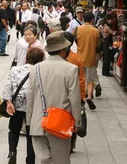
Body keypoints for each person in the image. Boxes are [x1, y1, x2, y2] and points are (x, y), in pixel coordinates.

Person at [26, 31, 81, 164]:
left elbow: (30, 97)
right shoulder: (71, 69)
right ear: (63, 49)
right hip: (60, 123)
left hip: (38, 122)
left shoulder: (36, 68)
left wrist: (29, 121)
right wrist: (77, 122)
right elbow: (74, 98)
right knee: (61, 160)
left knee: (42, 160)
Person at [3, 47, 45, 164]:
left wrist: (8, 102)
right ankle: (30, 159)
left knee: (13, 130)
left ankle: (12, 151)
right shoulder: (40, 71)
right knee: (30, 133)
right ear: (41, 59)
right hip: (32, 107)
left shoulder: (15, 69)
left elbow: (8, 86)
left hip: (17, 104)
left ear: (27, 58)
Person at [63, 32, 86, 153]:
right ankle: (71, 144)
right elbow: (81, 79)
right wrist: (82, 96)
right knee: (72, 119)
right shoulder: (76, 58)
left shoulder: (59, 57)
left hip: (61, 93)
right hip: (74, 93)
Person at [74, 11, 100, 111]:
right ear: (92, 20)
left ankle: (82, 96)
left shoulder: (77, 29)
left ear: (83, 19)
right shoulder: (96, 31)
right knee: (90, 80)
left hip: (79, 57)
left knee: (80, 78)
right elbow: (97, 45)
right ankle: (89, 96)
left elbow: (74, 40)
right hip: (91, 58)